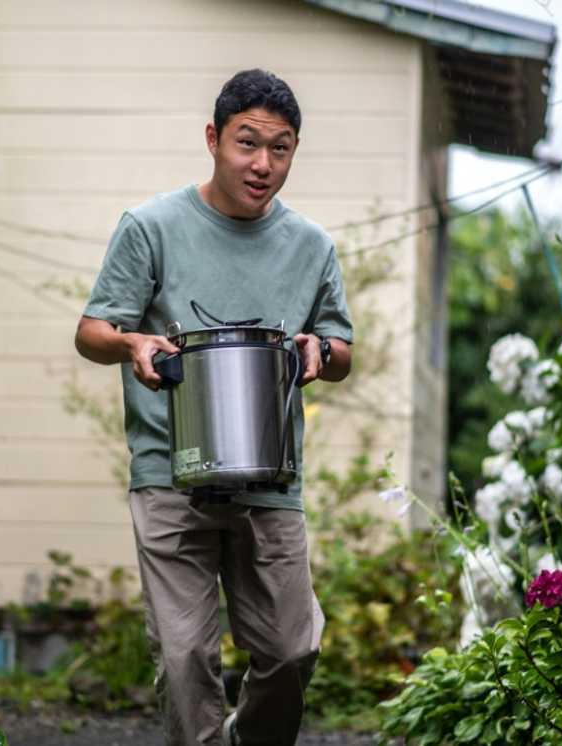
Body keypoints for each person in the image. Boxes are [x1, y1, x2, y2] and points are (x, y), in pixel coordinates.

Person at [74, 68, 353, 746]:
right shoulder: (152, 227)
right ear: (213, 139)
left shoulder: (311, 245)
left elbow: (341, 347)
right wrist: (135, 341)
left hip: (271, 478)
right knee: (184, 660)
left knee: (292, 650)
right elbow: (92, 332)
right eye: (247, 143)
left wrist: (322, 350)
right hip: (171, 472)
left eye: (280, 148)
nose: (263, 164)